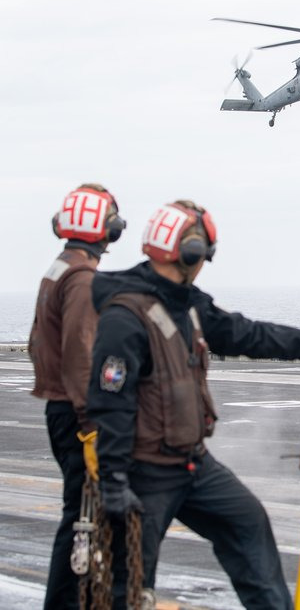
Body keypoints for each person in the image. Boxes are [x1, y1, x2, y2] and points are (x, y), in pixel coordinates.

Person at [87, 199, 300, 610]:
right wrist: (114, 482)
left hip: (193, 465)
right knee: (130, 582)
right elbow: (110, 404)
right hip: (144, 473)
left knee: (248, 524)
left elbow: (245, 334)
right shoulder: (126, 317)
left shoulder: (186, 305)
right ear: (191, 252)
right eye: (203, 254)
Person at [29, 183, 126, 610]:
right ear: (107, 230)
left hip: (60, 408)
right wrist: (93, 423)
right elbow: (80, 357)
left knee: (78, 519)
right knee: (82, 523)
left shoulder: (59, 267)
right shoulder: (83, 279)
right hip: (76, 415)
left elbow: (38, 344)